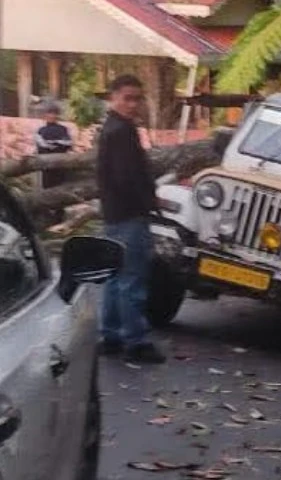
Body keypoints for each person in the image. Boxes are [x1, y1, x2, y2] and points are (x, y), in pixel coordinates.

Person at [96, 74, 166, 364]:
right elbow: (127, 178)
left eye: (137, 98)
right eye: (127, 98)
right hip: (129, 215)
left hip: (113, 213)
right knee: (132, 279)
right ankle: (135, 340)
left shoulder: (112, 128)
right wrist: (150, 202)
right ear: (113, 97)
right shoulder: (121, 131)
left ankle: (110, 335)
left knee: (114, 276)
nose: (133, 104)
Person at [35, 103, 73, 188]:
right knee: (47, 187)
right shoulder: (41, 130)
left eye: (54, 113)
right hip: (46, 165)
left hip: (60, 165)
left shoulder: (63, 129)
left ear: (57, 115)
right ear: (45, 115)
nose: (51, 116)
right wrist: (52, 145)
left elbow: (68, 144)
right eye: (49, 113)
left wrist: (53, 144)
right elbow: (40, 145)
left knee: (60, 187)